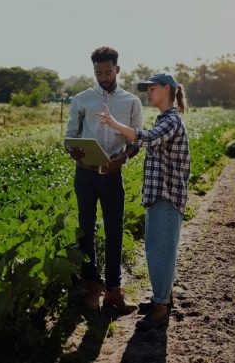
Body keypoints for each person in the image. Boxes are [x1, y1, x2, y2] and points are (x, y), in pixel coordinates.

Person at [97, 72, 190, 330]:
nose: (148, 93)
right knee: (157, 249)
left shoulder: (171, 120)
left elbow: (147, 138)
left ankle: (161, 307)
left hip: (167, 196)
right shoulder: (165, 119)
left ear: (167, 90)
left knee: (161, 252)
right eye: (146, 89)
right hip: (158, 196)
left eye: (152, 88)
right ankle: (163, 298)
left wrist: (115, 124)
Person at [64, 46, 143, 313]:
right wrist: (73, 151)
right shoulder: (82, 99)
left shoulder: (131, 101)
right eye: (98, 73)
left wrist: (122, 159)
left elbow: (136, 139)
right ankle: (92, 288)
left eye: (108, 72)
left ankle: (114, 291)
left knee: (114, 232)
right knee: (86, 230)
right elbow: (69, 135)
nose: (103, 77)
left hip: (112, 175)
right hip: (85, 174)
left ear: (117, 70)